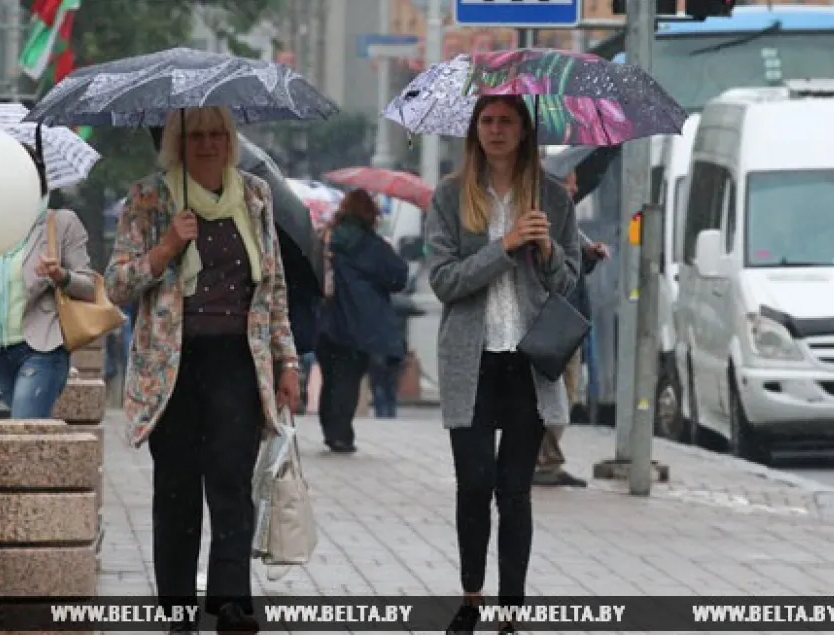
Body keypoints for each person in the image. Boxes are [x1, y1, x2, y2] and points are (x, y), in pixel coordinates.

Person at [105, 106, 301, 634]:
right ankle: (176, 612)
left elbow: (274, 288)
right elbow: (117, 285)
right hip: (170, 368)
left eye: (218, 134)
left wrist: (287, 360)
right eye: (196, 135)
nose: (209, 144)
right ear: (177, 143)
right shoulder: (149, 198)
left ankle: (231, 605)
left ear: (231, 141)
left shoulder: (256, 196)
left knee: (233, 486)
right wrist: (168, 245)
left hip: (238, 362)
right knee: (176, 492)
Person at [423, 95, 580, 634]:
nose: (495, 130)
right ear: (475, 131)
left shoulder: (553, 198)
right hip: (473, 362)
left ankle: (511, 612)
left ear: (522, 131)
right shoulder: (449, 195)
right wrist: (506, 246)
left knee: (514, 491)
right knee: (474, 484)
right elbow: (444, 280)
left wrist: (549, 249)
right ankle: (471, 598)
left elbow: (569, 282)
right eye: (487, 121)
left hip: (528, 363)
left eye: (505, 121)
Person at [0, 144, 96, 418]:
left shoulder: (60, 223)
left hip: (41, 349)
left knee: (23, 436)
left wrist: (60, 275)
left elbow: (89, 287)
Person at [316, 188, 409, 452]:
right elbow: (398, 277)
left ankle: (331, 429)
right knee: (348, 377)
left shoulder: (326, 237)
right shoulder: (372, 245)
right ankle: (340, 434)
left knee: (331, 377)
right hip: (358, 323)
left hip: (326, 318)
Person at [534, 170, 611, 487]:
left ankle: (546, 458)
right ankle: (542, 461)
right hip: (552, 318)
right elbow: (551, 265)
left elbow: (573, 262)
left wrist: (590, 254)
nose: (575, 187)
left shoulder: (566, 221)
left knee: (565, 393)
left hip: (570, 317)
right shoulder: (543, 218)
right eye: (569, 181)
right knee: (555, 395)